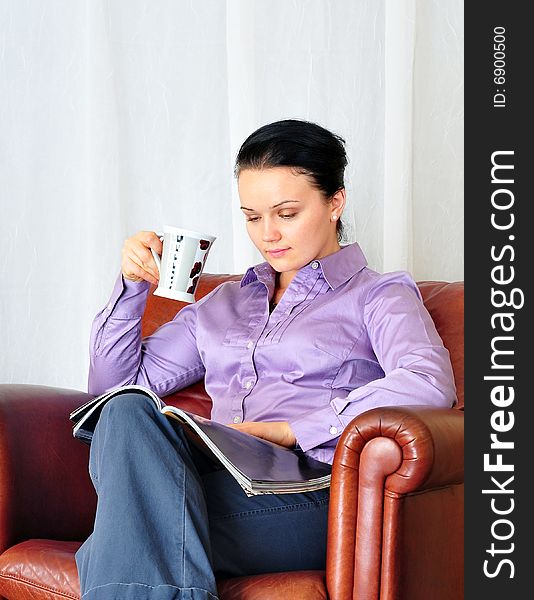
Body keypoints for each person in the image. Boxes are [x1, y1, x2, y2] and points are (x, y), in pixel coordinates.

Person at [75, 118, 457, 599]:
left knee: (129, 533)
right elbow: (113, 388)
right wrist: (132, 286)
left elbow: (428, 382)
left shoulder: (377, 294)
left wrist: (292, 430)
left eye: (287, 212)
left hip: (308, 495)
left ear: (335, 202)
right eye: (253, 217)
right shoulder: (220, 304)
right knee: (127, 410)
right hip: (211, 484)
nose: (268, 234)